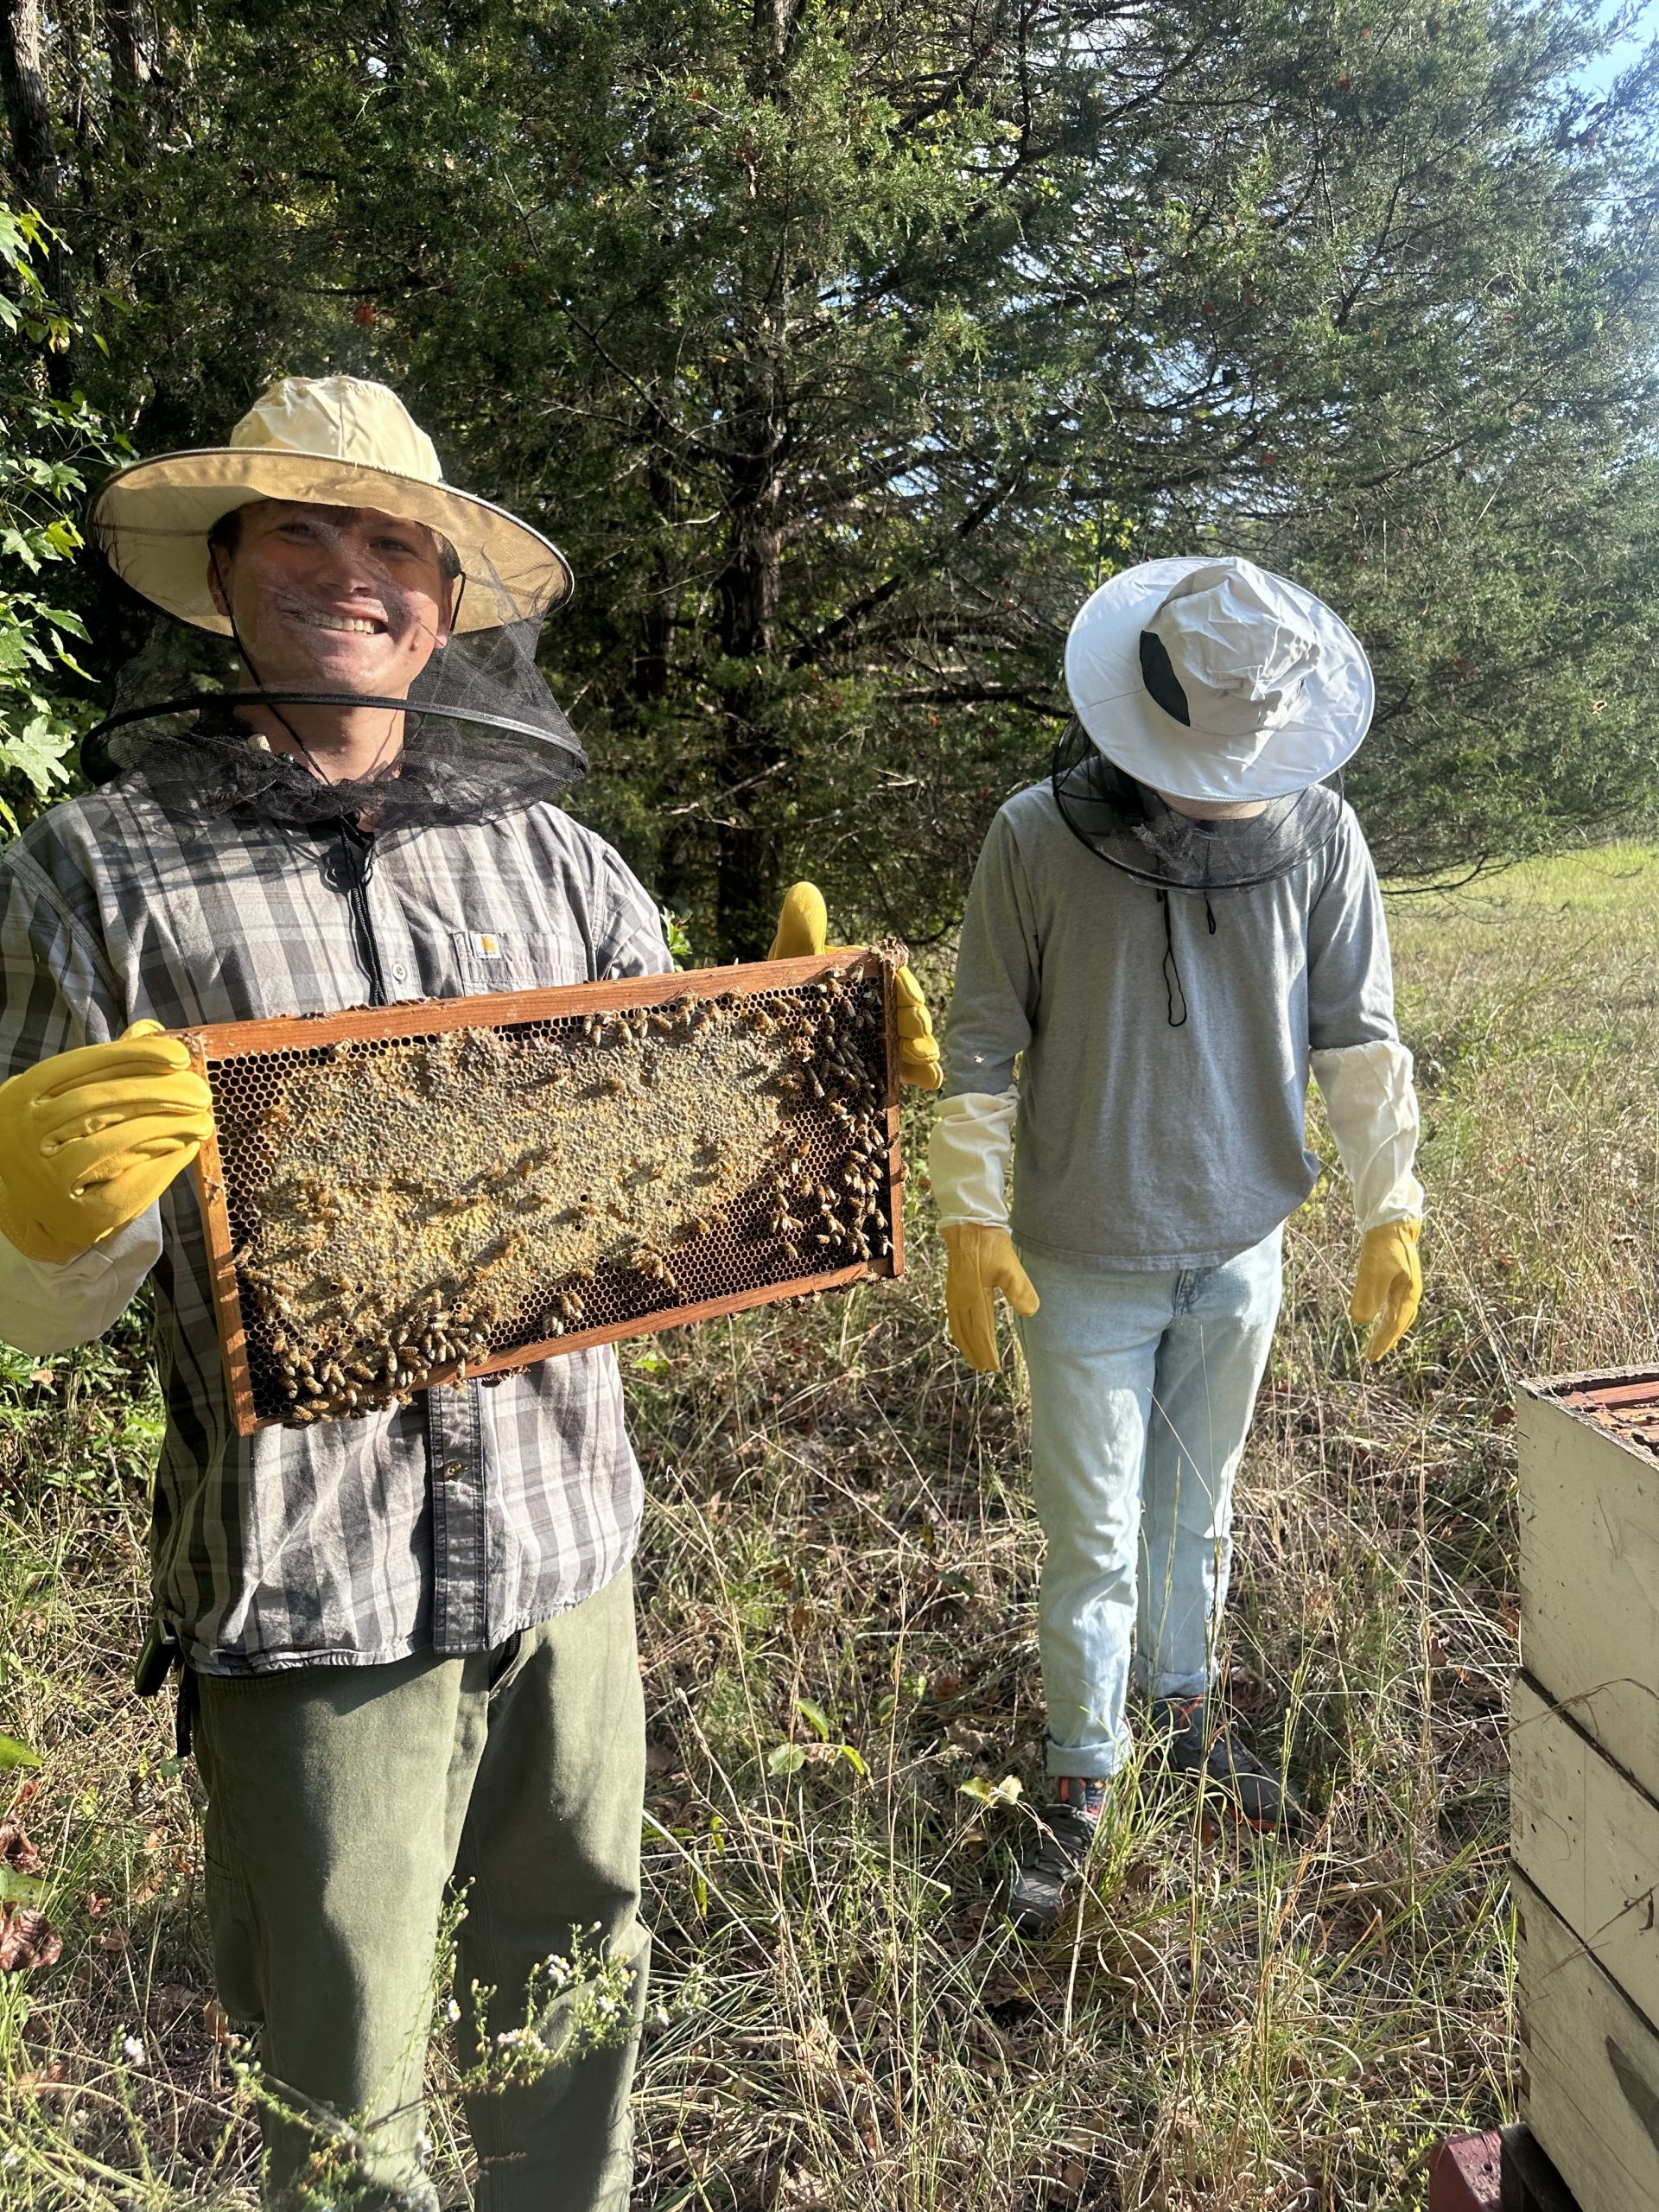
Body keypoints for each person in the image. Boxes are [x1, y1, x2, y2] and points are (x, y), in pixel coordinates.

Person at [0, 374, 938, 2206]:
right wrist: (38, 1219)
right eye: (303, 530)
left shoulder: (558, 861)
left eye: (394, 545)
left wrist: (803, 1082)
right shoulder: (89, 874)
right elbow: (50, 1311)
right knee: (340, 2086)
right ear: (223, 570)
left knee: (579, 1992)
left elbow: (675, 1196)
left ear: (443, 602)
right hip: (309, 1589)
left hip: (568, 1552)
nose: (351, 572)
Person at [927, 556, 1423, 1934]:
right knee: (1090, 1532)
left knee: (1199, 1509)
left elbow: (1359, 1033)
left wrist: (1395, 1205)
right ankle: (1085, 1773)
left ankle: (1185, 1704)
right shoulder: (1033, 838)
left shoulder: (1320, 835)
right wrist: (968, 1217)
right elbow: (974, 1042)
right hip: (1080, 1254)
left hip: (1243, 1245)